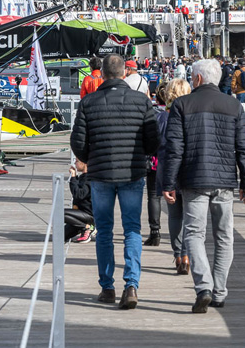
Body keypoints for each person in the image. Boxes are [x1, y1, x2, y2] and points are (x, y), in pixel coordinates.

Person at [161, 59, 245, 314]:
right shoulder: (234, 105)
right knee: (224, 236)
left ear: (198, 79)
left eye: (192, 77)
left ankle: (203, 287)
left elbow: (174, 149)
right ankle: (220, 292)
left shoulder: (181, 104)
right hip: (225, 181)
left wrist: (168, 182)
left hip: (194, 180)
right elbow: (243, 148)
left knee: (194, 234)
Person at [71, 55, 159, 309]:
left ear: (102, 74)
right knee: (132, 228)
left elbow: (78, 142)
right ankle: (131, 285)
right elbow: (153, 141)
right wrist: (141, 156)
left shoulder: (89, 102)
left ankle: (107, 287)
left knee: (105, 232)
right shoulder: (141, 100)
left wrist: (91, 158)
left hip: (100, 174)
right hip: (132, 173)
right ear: (124, 74)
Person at [155, 78, 192, 275]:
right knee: (189, 215)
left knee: (174, 215)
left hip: (166, 167)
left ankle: (178, 255)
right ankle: (186, 255)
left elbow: (155, 144)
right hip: (187, 169)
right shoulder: (191, 116)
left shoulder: (162, 118)